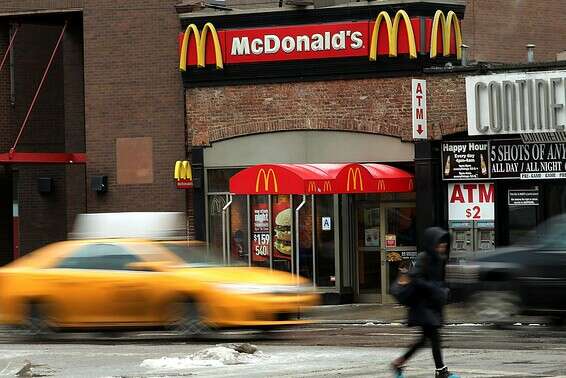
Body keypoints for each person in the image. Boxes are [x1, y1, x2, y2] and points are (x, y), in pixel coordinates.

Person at [391, 227, 458, 378]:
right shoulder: (424, 258)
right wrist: (434, 288)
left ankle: (398, 363)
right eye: (440, 243)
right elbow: (416, 278)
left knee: (423, 340)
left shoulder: (439, 260)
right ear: (432, 243)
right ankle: (441, 371)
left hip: (432, 306)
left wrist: (443, 291)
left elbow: (438, 281)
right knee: (434, 338)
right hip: (422, 306)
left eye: (444, 244)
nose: (443, 246)